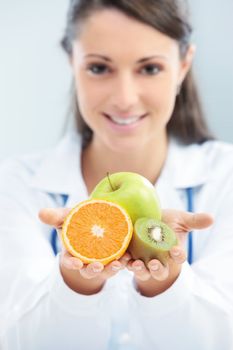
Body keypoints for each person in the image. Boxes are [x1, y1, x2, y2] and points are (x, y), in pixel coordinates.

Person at [1, 0, 233, 349]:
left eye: (150, 68)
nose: (125, 98)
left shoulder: (226, 179)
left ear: (183, 65)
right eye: (99, 68)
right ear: (72, 62)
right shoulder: (14, 185)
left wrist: (165, 285)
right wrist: (76, 285)